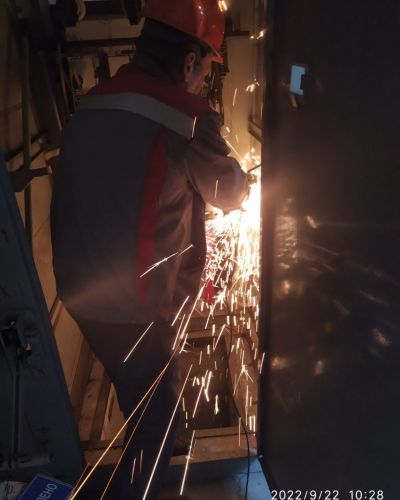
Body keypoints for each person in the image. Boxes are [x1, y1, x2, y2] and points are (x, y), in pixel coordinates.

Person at [51, 0, 251, 498]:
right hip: (133, 306)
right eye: (207, 69)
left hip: (79, 292)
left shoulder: (95, 101)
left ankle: (157, 424)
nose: (203, 80)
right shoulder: (186, 118)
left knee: (141, 388)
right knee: (155, 424)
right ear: (190, 61)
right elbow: (229, 192)